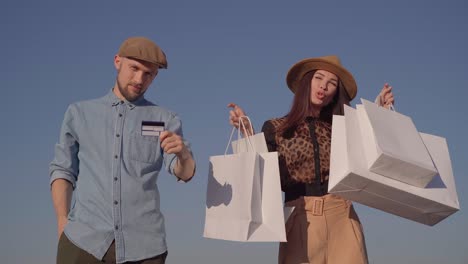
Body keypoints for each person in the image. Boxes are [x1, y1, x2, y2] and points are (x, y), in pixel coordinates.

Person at [228, 55, 394, 264]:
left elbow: (366, 154)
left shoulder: (343, 128)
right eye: (319, 78)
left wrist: (378, 110)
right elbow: (265, 177)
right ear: (306, 82)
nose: (324, 86)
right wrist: (249, 134)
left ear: (336, 93)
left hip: (342, 216)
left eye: (331, 83)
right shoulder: (276, 128)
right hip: (299, 219)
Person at [50, 36, 196, 264]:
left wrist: (183, 155)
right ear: (117, 61)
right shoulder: (78, 113)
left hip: (146, 248)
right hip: (82, 242)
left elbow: (184, 173)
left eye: (148, 74)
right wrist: (62, 221)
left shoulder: (166, 119)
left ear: (155, 76)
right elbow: (63, 171)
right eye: (134, 68)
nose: (139, 79)